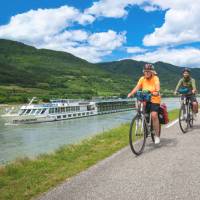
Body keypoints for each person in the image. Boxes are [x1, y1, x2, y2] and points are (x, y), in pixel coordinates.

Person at [128, 63, 161, 144]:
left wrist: (156, 91)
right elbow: (137, 87)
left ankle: (157, 136)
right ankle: (141, 120)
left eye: (148, 71)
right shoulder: (142, 79)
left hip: (154, 99)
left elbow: (157, 87)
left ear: (152, 72)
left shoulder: (155, 78)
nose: (147, 73)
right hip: (145, 99)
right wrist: (131, 93)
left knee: (153, 115)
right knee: (140, 108)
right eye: (145, 71)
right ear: (144, 71)